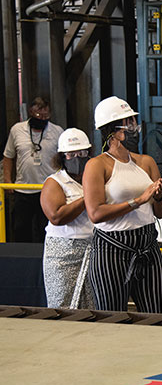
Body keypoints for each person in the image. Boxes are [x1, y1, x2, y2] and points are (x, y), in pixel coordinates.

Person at [83, 96, 162, 312]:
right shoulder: (97, 165)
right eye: (128, 123)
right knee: (112, 318)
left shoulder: (146, 162)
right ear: (113, 131)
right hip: (111, 249)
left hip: (147, 245)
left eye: (133, 121)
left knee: (158, 315)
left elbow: (160, 213)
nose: (134, 128)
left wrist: (158, 196)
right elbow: (95, 213)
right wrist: (137, 201)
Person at [40, 128, 94, 309]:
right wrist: (88, 198)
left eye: (82, 153)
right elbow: (56, 216)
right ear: (62, 157)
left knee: (94, 306)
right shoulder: (55, 182)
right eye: (71, 154)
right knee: (62, 304)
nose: (77, 158)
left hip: (93, 249)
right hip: (63, 252)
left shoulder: (92, 178)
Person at [3, 96, 63, 243]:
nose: (42, 118)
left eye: (45, 115)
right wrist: (7, 179)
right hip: (23, 189)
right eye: (38, 115)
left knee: (46, 229)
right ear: (31, 111)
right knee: (20, 228)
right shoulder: (17, 130)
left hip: (48, 190)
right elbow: (8, 156)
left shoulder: (57, 131)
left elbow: (64, 159)